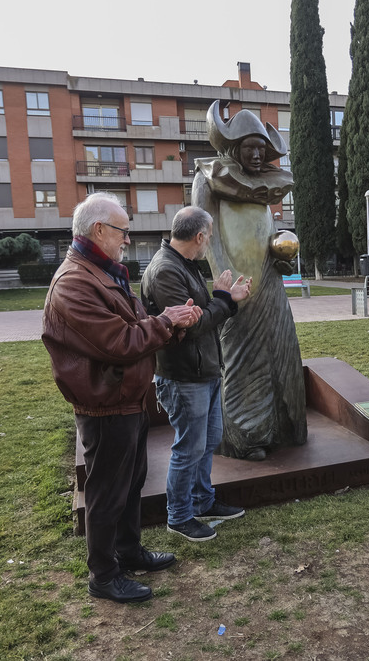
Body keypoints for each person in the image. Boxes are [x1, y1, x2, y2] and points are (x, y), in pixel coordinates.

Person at [42, 192, 201, 603]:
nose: (127, 240)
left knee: (130, 484)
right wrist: (165, 322)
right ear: (99, 230)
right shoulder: (74, 281)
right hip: (105, 404)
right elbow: (117, 342)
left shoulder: (103, 271)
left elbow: (134, 325)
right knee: (106, 493)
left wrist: (172, 323)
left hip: (127, 398)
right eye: (123, 231)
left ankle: (129, 551)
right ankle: (104, 575)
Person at [192, 101, 307, 460]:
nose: (257, 155)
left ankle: (284, 426)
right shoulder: (207, 179)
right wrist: (226, 284)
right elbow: (205, 236)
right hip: (236, 289)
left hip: (270, 285)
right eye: (249, 147)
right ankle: (246, 436)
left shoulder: (262, 187)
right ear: (232, 146)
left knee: (280, 351)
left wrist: (283, 255)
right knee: (242, 360)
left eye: (262, 147)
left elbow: (266, 234)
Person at [142, 206, 252, 542]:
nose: (210, 243)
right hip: (183, 375)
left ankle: (203, 502)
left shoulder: (184, 265)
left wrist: (224, 300)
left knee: (208, 441)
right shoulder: (166, 271)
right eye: (210, 236)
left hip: (203, 371)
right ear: (199, 236)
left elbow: (202, 316)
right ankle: (178, 516)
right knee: (188, 448)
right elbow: (192, 325)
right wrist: (223, 299)